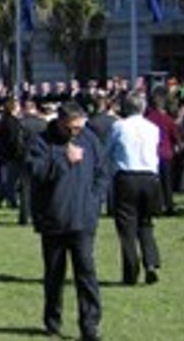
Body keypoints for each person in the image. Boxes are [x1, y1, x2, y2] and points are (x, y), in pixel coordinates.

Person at [27, 100, 106, 341]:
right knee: (54, 274)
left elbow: (102, 172)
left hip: (83, 219)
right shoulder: (41, 142)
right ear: (60, 123)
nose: (76, 132)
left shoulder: (90, 140)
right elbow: (35, 172)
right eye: (72, 128)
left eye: (79, 127)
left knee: (86, 274)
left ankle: (90, 325)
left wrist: (95, 201)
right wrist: (63, 160)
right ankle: (52, 320)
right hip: (53, 219)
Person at [105, 89, 163, 286]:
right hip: (149, 176)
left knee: (127, 227)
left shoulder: (119, 127)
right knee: (146, 223)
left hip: (127, 176)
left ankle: (131, 271)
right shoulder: (153, 128)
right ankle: (151, 262)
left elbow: (108, 150)